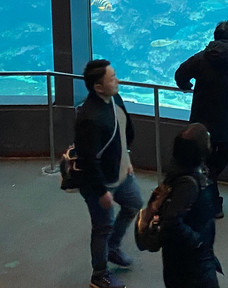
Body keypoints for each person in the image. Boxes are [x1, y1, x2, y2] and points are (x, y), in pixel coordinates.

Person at [173, 20, 228, 218]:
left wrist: (186, 86)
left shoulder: (201, 58)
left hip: (200, 124)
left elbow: (180, 75)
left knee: (200, 161)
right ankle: (210, 201)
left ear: (215, 36)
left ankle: (201, 196)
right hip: (226, 124)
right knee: (219, 160)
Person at [75, 59, 142, 288]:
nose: (117, 81)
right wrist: (101, 192)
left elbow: (123, 132)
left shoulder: (114, 98)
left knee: (134, 203)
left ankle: (112, 248)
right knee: (103, 226)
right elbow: (88, 160)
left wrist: (127, 159)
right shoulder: (89, 118)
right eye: (112, 78)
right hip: (99, 183)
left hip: (121, 173)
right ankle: (99, 275)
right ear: (98, 87)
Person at [159, 123, 223, 288]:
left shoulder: (178, 173)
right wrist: (198, 242)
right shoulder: (189, 184)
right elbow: (172, 221)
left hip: (184, 260)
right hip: (191, 264)